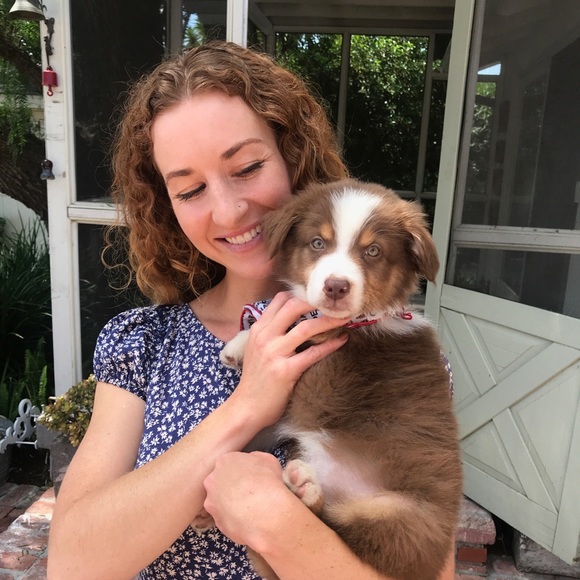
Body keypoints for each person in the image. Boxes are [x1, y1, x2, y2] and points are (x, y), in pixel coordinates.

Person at [48, 41, 456, 579]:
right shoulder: (142, 343)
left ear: (292, 155)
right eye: (190, 189)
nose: (229, 210)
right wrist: (246, 407)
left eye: (247, 167)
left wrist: (277, 524)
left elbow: (427, 565)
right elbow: (72, 567)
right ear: (167, 207)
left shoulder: (398, 353)